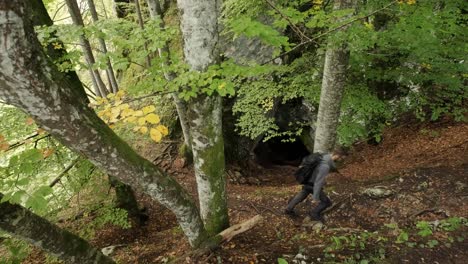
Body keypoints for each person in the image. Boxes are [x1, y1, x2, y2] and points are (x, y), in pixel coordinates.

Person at [284, 152, 340, 222]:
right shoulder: (325, 166)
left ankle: (288, 209)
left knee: (302, 195)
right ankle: (314, 213)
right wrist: (315, 197)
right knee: (326, 202)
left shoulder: (321, 157)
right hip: (313, 185)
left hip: (307, 182)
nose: (339, 159)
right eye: (339, 157)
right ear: (335, 155)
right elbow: (318, 182)